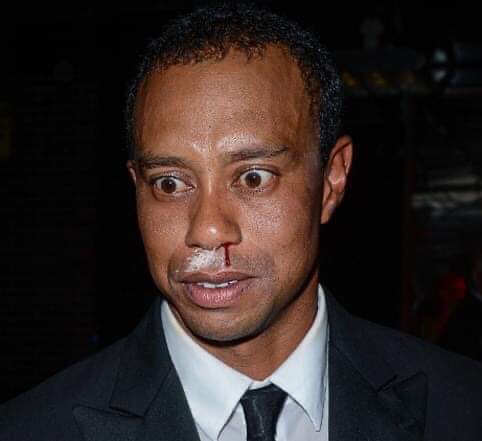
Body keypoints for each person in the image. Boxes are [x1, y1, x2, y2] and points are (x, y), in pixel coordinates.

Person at [1, 2, 481, 440]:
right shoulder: (31, 429)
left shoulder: (464, 408)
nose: (207, 230)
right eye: (169, 183)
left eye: (253, 177)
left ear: (332, 181)